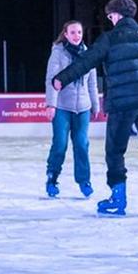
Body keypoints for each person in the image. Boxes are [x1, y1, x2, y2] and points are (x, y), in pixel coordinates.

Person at [52, 0, 138, 217]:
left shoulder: (110, 38)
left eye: (110, 16)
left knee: (115, 150)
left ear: (115, 15)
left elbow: (86, 61)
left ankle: (118, 197)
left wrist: (61, 79)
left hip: (123, 102)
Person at [44, 20, 98, 198]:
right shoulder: (58, 54)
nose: (77, 36)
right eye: (73, 32)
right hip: (62, 106)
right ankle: (52, 177)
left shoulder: (89, 54)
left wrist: (95, 104)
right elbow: (51, 79)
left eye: (79, 33)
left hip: (83, 107)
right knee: (60, 144)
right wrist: (51, 104)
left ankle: (84, 181)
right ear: (65, 34)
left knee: (82, 144)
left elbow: (92, 82)